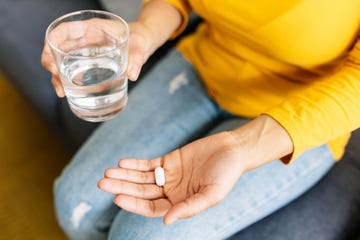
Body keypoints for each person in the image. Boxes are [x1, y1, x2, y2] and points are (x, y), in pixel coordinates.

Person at [40, 0, 360, 239]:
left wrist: (243, 146)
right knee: (75, 207)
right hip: (205, 63)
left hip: (304, 114)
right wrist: (144, 31)